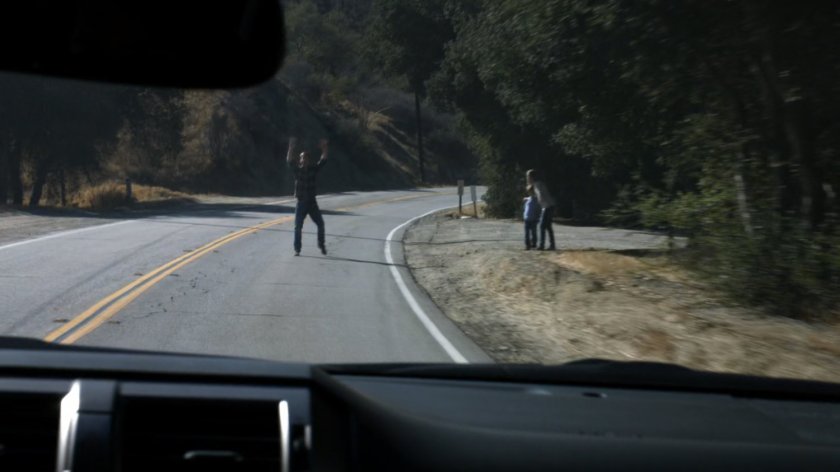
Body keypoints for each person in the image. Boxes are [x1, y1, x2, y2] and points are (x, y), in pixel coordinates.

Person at [287, 137, 329, 256]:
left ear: (309, 160)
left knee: (321, 224)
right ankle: (297, 249)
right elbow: (289, 161)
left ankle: (321, 245)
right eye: (301, 158)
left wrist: (324, 148)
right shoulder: (297, 171)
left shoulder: (313, 169)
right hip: (301, 203)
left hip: (312, 203)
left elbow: (323, 160)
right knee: (297, 227)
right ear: (299, 160)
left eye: (305, 158)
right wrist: (290, 147)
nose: (303, 160)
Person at [526, 169, 556, 250]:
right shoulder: (538, 184)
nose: (527, 178)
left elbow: (540, 194)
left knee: (542, 226)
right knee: (548, 226)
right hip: (549, 206)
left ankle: (542, 245)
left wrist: (540, 201)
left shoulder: (537, 184)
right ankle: (552, 245)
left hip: (547, 206)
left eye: (528, 176)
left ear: (531, 177)